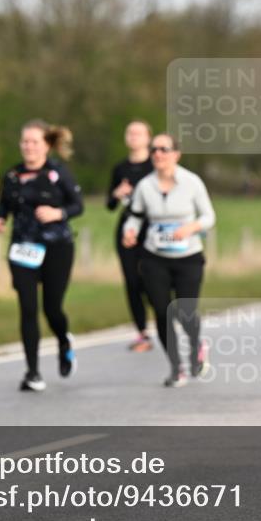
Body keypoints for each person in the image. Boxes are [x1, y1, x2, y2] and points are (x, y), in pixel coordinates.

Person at [0, 121, 83, 392]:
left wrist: (58, 213)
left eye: (34, 142)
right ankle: (32, 372)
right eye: (25, 141)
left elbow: (78, 205)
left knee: (52, 308)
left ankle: (64, 341)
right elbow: (5, 202)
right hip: (23, 249)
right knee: (28, 308)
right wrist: (0, 218)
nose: (28, 146)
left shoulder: (57, 172)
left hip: (57, 247)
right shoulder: (13, 174)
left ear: (46, 145)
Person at [122, 133, 216, 387]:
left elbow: (209, 217)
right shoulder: (145, 186)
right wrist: (129, 231)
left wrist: (190, 228)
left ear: (176, 154)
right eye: (154, 150)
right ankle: (176, 367)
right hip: (155, 257)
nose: (158, 154)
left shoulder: (191, 182)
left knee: (185, 312)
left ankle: (196, 346)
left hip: (188, 257)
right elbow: (135, 216)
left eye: (164, 149)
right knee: (162, 312)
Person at [106, 120, 154, 352]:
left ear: (148, 138)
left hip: (152, 229)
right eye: (130, 133)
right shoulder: (120, 168)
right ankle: (142, 333)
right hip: (127, 230)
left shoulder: (156, 165)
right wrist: (117, 193)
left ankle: (166, 317)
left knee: (152, 280)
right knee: (132, 282)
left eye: (138, 133)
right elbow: (109, 205)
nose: (133, 137)